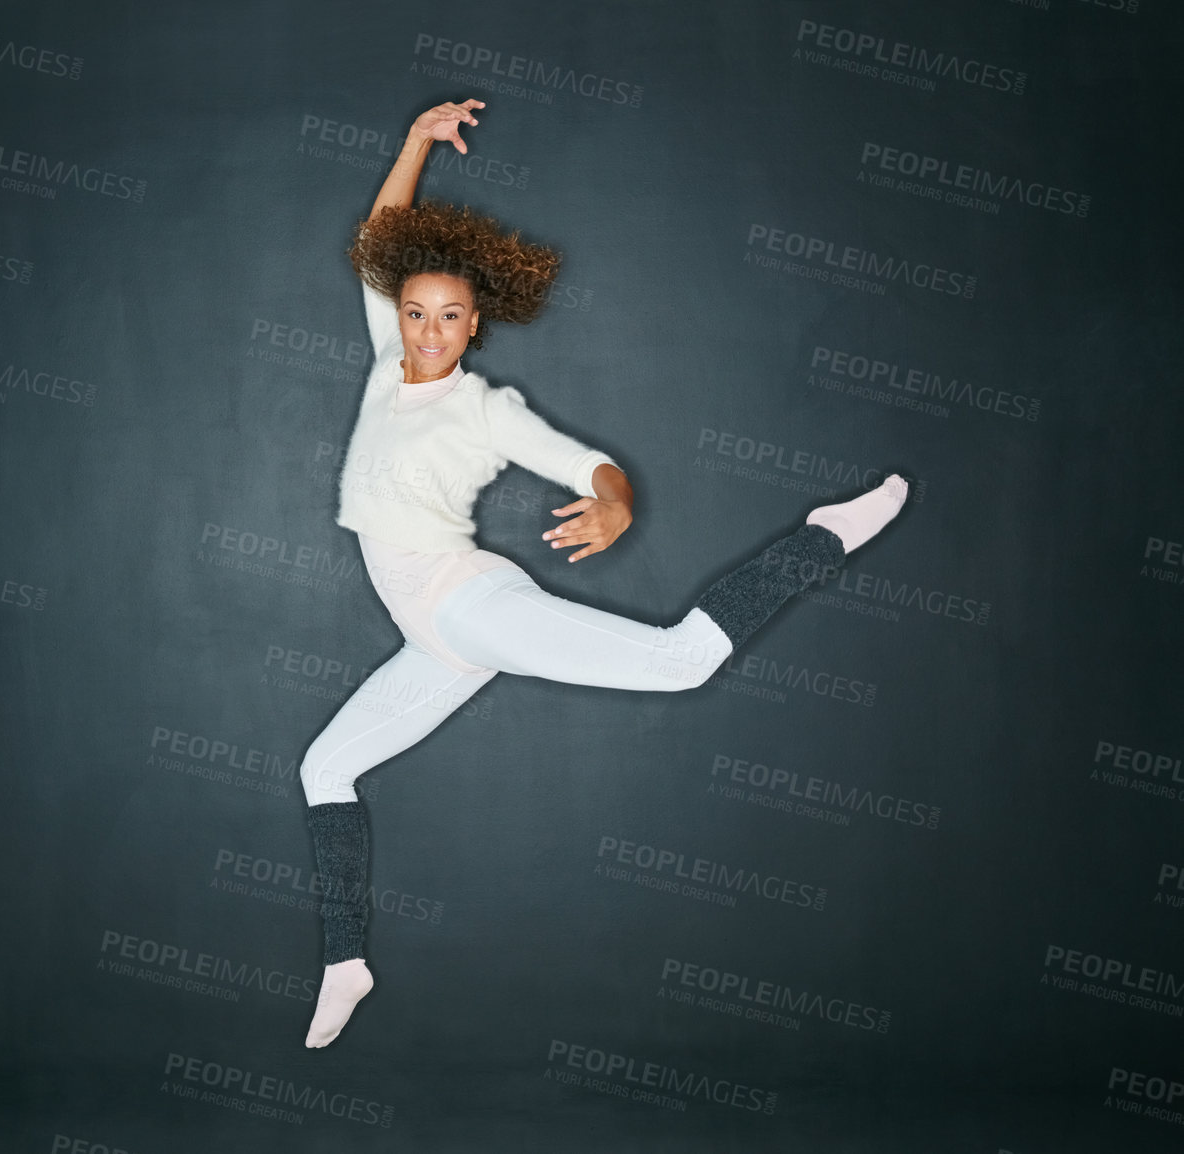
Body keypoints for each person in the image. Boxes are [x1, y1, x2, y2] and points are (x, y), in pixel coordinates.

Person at [298, 99, 908, 1048]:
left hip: (470, 606)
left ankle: (825, 534)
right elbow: (380, 236)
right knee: (323, 769)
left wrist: (615, 500)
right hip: (431, 641)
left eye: (447, 318)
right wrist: (416, 142)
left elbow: (591, 468)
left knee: (683, 662)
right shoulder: (387, 364)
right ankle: (348, 964)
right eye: (414, 312)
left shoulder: (485, 409)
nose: (425, 331)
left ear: (472, 330)